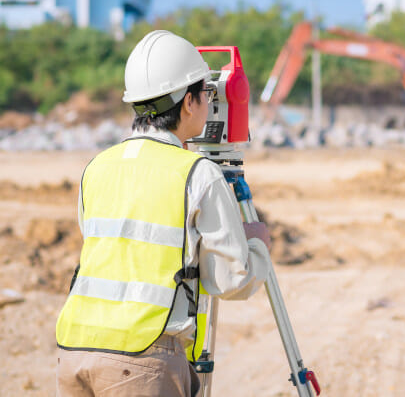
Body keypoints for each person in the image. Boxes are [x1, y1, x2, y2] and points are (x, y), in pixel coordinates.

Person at [55, 30, 272, 397]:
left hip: (74, 352)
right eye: (206, 93)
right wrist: (257, 247)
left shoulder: (97, 166)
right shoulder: (197, 173)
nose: (208, 102)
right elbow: (231, 282)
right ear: (189, 102)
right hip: (141, 360)